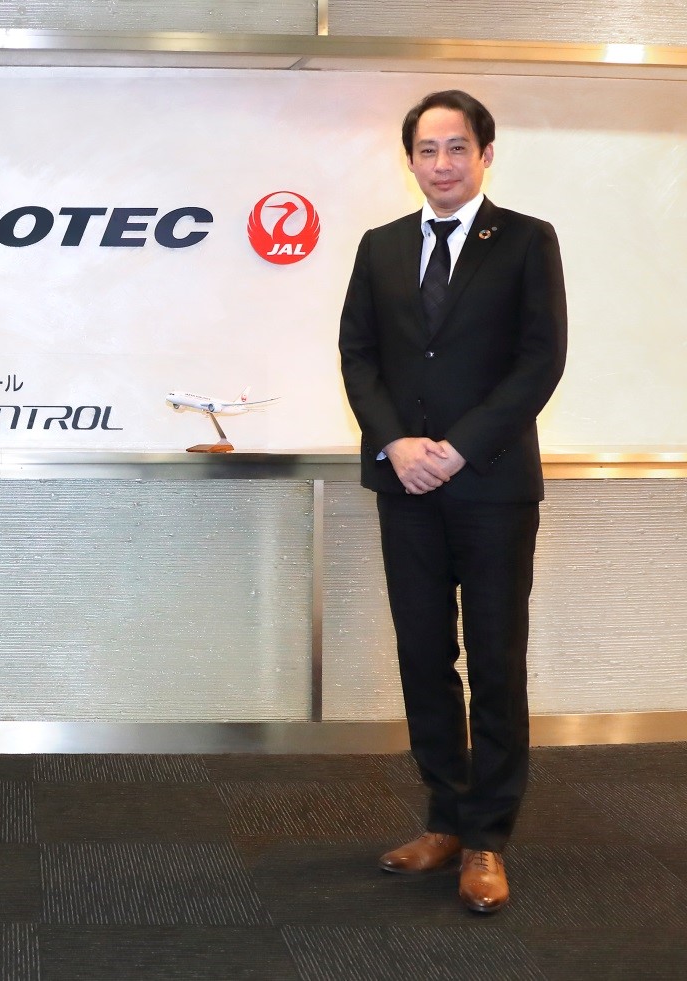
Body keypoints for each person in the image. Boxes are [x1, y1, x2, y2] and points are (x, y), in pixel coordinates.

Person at [338, 89, 567, 914]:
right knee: (423, 653)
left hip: (493, 485)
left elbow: (540, 360)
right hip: (405, 486)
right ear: (410, 160)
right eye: (428, 150)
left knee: (496, 659)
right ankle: (443, 816)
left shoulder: (528, 241)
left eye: (457, 147)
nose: (442, 163)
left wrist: (461, 446)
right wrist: (397, 444)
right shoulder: (381, 246)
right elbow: (358, 356)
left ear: (485, 154)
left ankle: (487, 838)